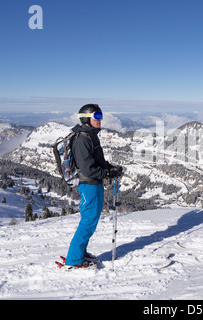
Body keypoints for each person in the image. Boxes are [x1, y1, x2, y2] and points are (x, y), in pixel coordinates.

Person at [65, 104, 123, 269]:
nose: (100, 119)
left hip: (95, 184)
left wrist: (110, 168)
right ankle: (74, 259)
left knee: (91, 221)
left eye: (100, 115)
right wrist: (106, 174)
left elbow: (97, 162)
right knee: (88, 221)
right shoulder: (82, 139)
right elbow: (88, 168)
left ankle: (80, 253)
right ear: (86, 119)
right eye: (96, 116)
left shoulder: (91, 136)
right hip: (88, 185)